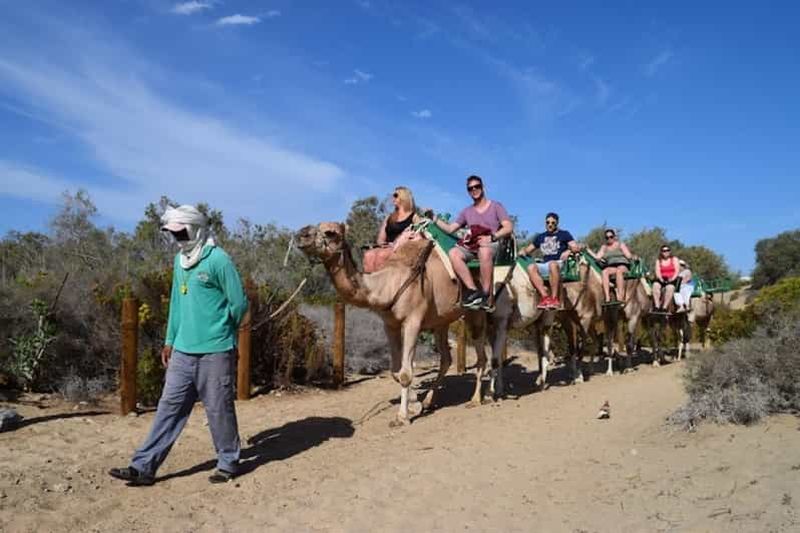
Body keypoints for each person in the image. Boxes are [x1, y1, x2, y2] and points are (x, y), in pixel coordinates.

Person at [109, 205, 248, 486]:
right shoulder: (179, 261)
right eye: (173, 233)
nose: (177, 238)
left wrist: (224, 331)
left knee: (218, 408)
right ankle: (143, 466)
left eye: (181, 232)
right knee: (169, 408)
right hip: (183, 351)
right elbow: (176, 302)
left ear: (195, 229)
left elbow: (239, 303)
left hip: (215, 351)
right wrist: (170, 340)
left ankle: (228, 462)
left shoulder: (218, 260)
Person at [434, 175, 513, 310]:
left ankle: (486, 294)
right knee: (453, 253)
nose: (474, 190)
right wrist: (434, 218)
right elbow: (450, 229)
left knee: (484, 249)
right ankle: (473, 290)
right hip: (472, 245)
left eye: (477, 186)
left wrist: (492, 237)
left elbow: (508, 227)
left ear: (483, 187)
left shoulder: (496, 206)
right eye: (470, 188)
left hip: (491, 242)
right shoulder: (466, 212)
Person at [518, 212, 581, 309]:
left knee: (552, 264)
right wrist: (523, 251)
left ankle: (554, 299)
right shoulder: (540, 237)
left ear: (557, 223)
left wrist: (568, 251)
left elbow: (576, 247)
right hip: (545, 264)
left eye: (553, 223)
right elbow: (528, 250)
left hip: (559, 264)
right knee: (531, 267)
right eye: (548, 222)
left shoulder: (564, 234)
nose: (550, 225)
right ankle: (545, 297)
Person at [364, 187, 421, 273]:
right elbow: (380, 239)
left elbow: (418, 238)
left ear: (403, 197)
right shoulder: (389, 217)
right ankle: (369, 281)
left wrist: (396, 244)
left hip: (402, 250)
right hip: (387, 248)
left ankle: (382, 280)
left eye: (395, 195)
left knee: (381, 255)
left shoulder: (414, 217)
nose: (392, 198)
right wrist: (383, 244)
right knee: (368, 255)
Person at [588, 229, 634, 304]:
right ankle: (607, 297)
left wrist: (631, 257)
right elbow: (597, 257)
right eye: (607, 237)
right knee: (604, 272)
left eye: (611, 237)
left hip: (622, 264)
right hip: (611, 266)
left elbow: (628, 255)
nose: (609, 239)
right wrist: (588, 250)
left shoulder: (620, 244)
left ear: (614, 237)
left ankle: (620, 296)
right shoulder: (604, 247)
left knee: (619, 271)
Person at [652, 244, 681, 312]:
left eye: (667, 250)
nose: (666, 252)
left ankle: (665, 307)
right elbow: (657, 271)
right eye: (664, 251)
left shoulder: (674, 259)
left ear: (670, 251)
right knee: (655, 286)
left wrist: (672, 279)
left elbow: (677, 271)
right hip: (661, 279)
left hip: (672, 279)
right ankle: (657, 305)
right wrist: (660, 279)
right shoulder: (658, 261)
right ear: (661, 252)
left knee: (670, 288)